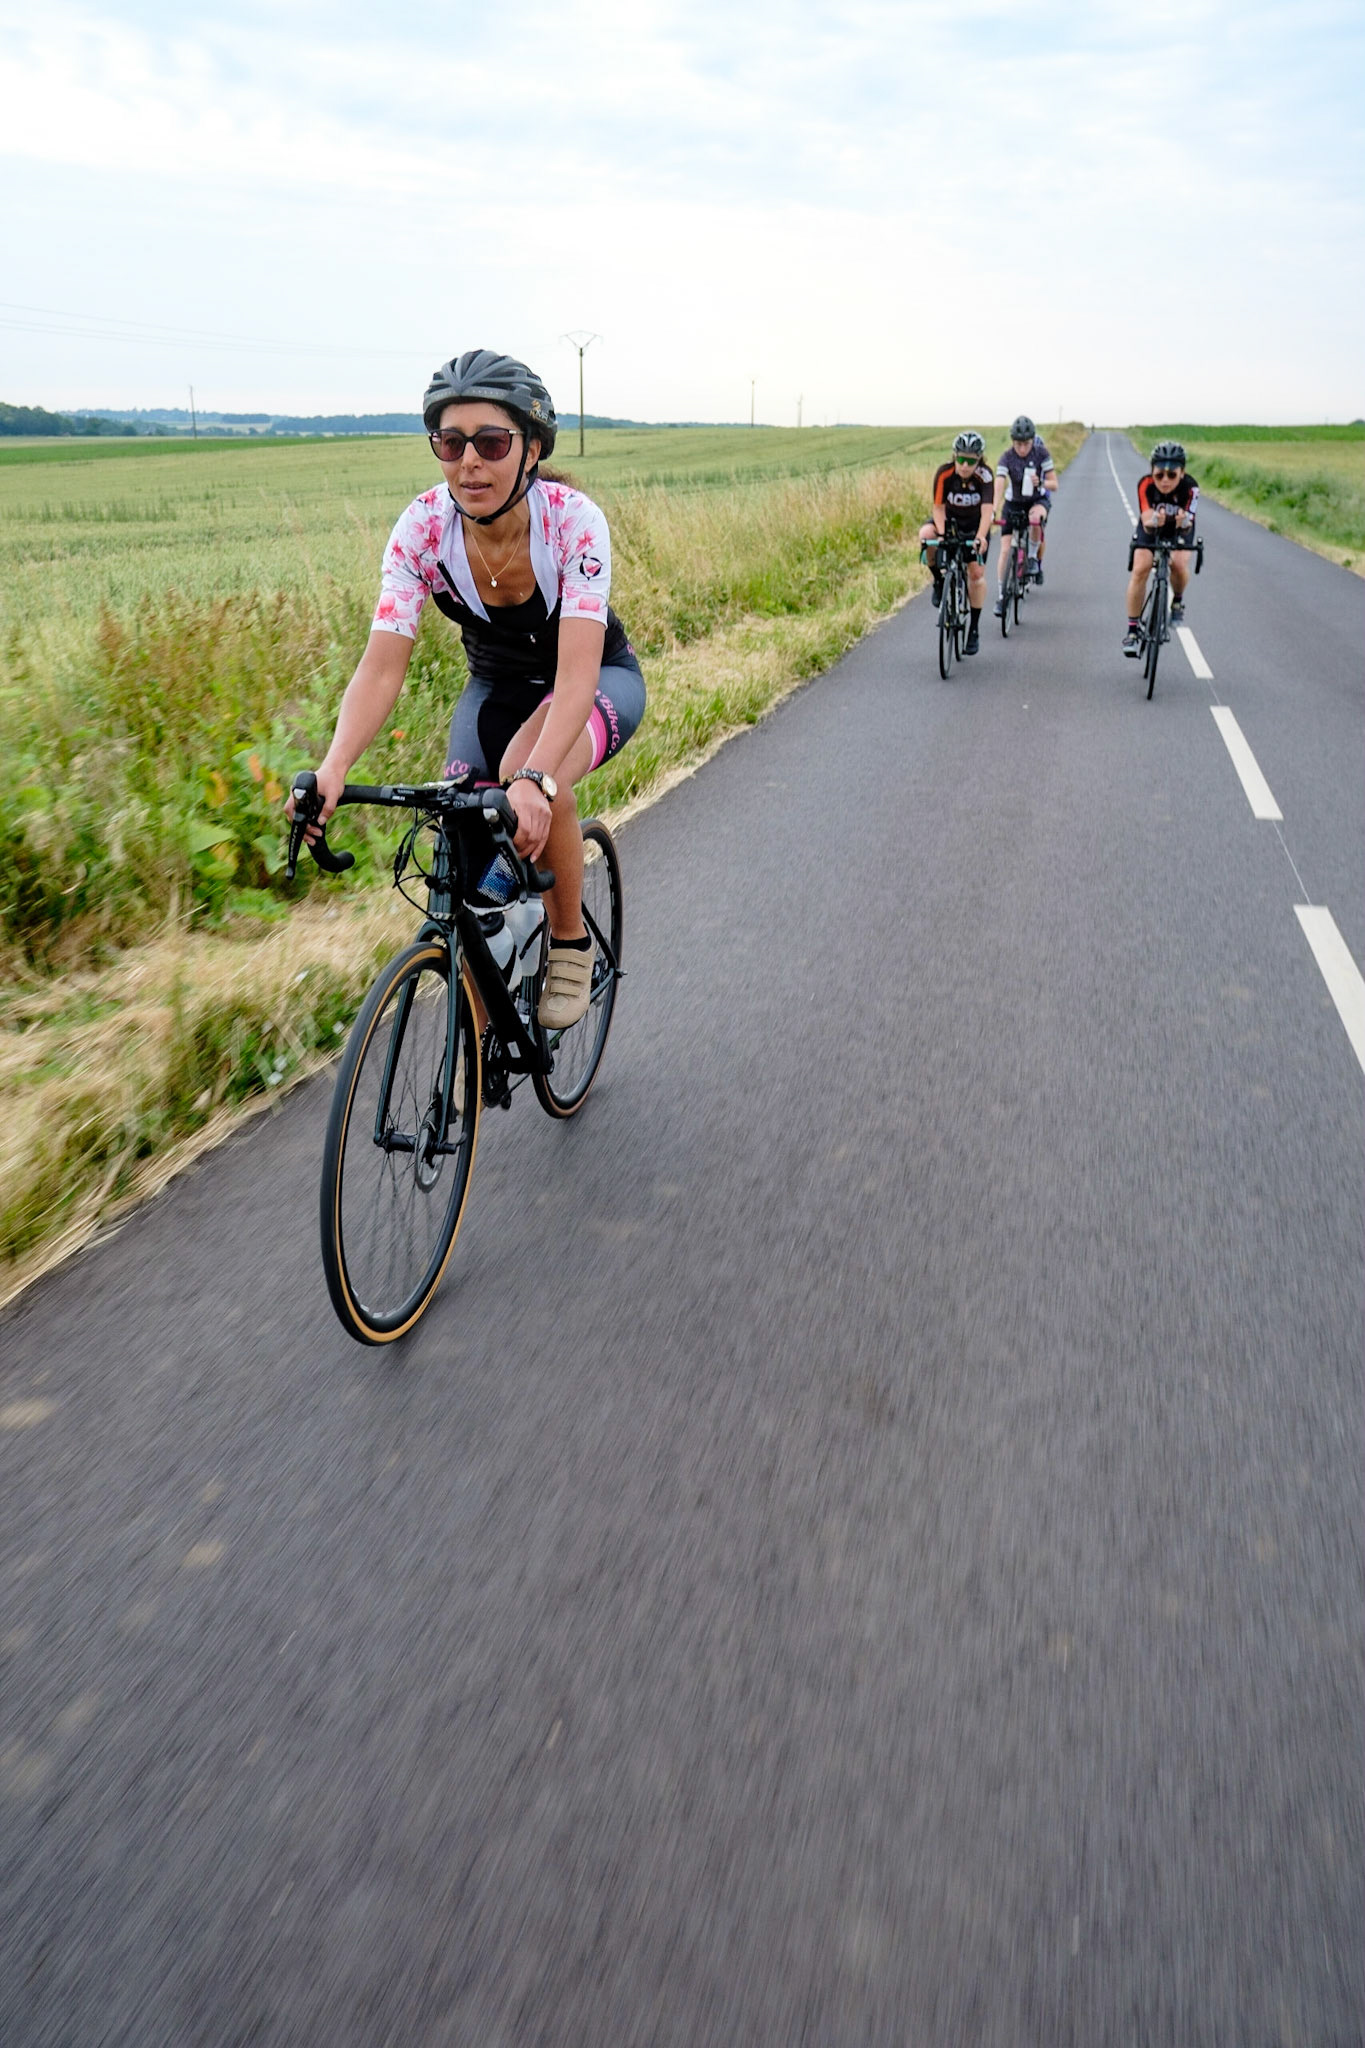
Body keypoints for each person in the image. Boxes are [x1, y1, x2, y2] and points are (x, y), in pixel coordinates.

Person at [290, 350, 645, 1029]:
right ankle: (481, 1042)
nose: (468, 462)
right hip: (496, 687)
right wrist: (334, 766)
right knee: (458, 833)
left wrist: (538, 779)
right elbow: (381, 666)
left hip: (595, 680)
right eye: (449, 443)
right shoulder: (423, 529)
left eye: (490, 442)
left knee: (525, 771)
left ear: (532, 448)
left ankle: (568, 945)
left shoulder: (572, 521)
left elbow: (574, 678)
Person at [920, 431, 994, 655]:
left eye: (971, 461)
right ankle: (938, 580)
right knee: (926, 535)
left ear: (979, 459)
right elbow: (938, 507)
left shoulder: (985, 476)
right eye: (961, 459)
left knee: (976, 575)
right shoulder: (944, 473)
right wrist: (941, 535)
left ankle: (973, 629)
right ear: (954, 457)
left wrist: (981, 537)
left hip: (974, 526)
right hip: (949, 523)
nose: (964, 465)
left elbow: (987, 511)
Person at [1123, 442, 1199, 654]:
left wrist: (1180, 522)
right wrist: (1158, 520)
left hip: (1179, 530)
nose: (1165, 480)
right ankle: (1132, 630)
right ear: (1152, 472)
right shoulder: (1145, 485)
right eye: (1159, 475)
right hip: (1152, 527)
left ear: (1182, 473)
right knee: (1140, 568)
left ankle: (1177, 601)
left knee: (1179, 564)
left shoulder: (1191, 489)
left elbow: (1187, 523)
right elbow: (1147, 520)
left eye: (1172, 475)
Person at [993, 415, 1058, 614]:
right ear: (1013, 442)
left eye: (1026, 444)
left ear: (1033, 441)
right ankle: (1002, 596)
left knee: (1035, 519)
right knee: (1005, 550)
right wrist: (994, 508)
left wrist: (1041, 482)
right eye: (1018, 444)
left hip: (1037, 500)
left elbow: (1054, 484)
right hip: (1013, 502)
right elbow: (1000, 481)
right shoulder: (1006, 456)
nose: (1022, 449)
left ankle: (1031, 557)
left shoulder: (1041, 454)